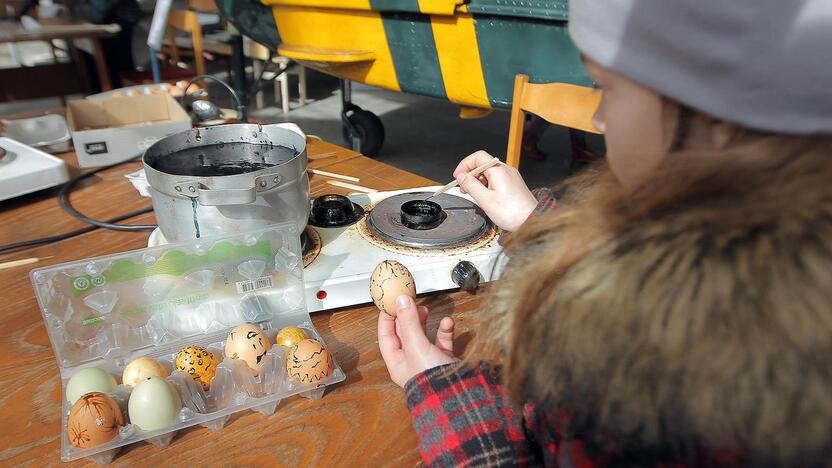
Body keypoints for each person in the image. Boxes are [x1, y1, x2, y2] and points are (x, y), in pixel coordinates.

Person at [377, 0, 832, 466]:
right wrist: (536, 220)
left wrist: (445, 391)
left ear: (714, 116)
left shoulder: (656, 374)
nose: (599, 119)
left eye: (610, 89)